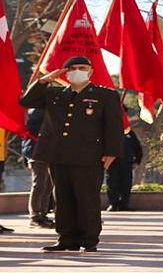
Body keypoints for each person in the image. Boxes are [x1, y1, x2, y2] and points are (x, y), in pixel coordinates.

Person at [19, 55, 124, 252]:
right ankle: (66, 238)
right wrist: (44, 80)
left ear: (91, 71)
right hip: (58, 154)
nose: (78, 71)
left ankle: (89, 238)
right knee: (63, 198)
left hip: (90, 155)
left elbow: (114, 126)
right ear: (64, 73)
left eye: (83, 67)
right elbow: (26, 101)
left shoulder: (105, 95)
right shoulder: (54, 94)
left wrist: (111, 152)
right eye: (73, 68)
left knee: (87, 198)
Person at [22, 108, 54, 228]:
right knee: (39, 184)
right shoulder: (36, 110)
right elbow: (31, 130)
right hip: (37, 150)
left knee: (48, 185)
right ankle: (35, 216)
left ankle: (43, 214)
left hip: (49, 151)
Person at [105, 127, 143, 211]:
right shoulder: (109, 131)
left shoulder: (130, 133)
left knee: (126, 185)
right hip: (112, 163)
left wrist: (137, 161)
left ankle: (124, 205)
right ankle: (113, 204)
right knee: (112, 184)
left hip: (127, 163)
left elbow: (137, 147)